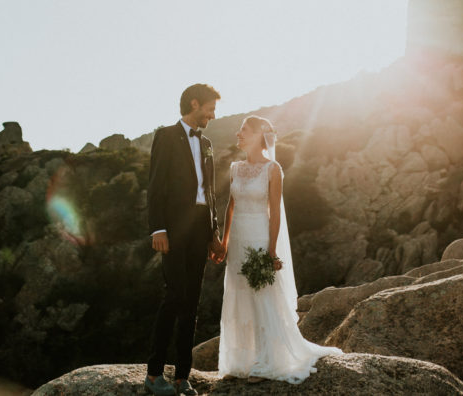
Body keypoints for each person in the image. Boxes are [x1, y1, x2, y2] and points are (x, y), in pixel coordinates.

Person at [216, 115, 343, 384]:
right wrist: (225, 242)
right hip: (238, 239)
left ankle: (265, 360)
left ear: (258, 136)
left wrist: (271, 250)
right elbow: (230, 206)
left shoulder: (273, 169)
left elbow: (275, 214)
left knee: (261, 295)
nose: (238, 134)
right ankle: (242, 360)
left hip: (259, 238)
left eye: (244, 130)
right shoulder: (236, 168)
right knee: (240, 293)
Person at [144, 83, 225, 396]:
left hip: (201, 230)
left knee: (191, 303)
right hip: (174, 230)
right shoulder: (165, 136)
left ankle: (182, 377)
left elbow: (210, 192)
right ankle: (153, 375)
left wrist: (214, 232)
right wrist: (158, 228)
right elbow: (156, 186)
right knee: (174, 296)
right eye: (210, 108)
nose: (213, 115)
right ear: (195, 103)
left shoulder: (206, 142)